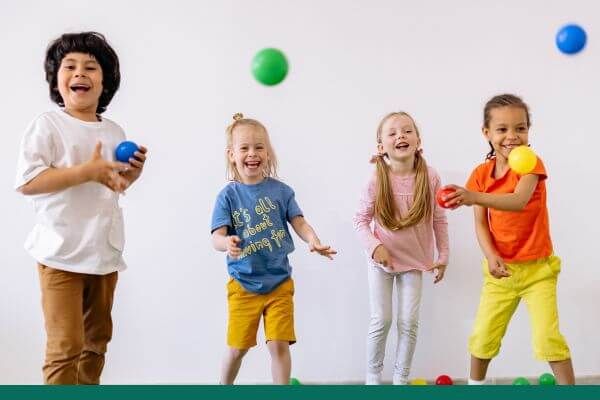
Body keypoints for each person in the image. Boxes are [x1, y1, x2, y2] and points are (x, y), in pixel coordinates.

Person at [14, 32, 148, 384]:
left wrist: (128, 178)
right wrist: (84, 171)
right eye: (69, 66)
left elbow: (112, 188)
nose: (80, 73)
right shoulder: (48, 125)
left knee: (96, 343)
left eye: (91, 67)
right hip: (60, 254)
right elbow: (28, 182)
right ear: (56, 80)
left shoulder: (115, 131)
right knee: (65, 346)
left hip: (103, 255)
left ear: (106, 82)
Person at [441, 93, 575, 385]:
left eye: (520, 128)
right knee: (483, 335)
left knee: (547, 337)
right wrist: (490, 256)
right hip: (500, 273)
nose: (512, 136)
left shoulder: (531, 164)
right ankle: (476, 387)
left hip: (539, 271)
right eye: (502, 129)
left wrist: (473, 196)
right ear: (486, 133)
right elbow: (481, 223)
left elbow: (518, 200)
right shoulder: (480, 174)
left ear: (529, 130)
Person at [211, 113, 336, 384]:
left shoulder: (282, 191)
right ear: (232, 154)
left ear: (268, 153)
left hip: (279, 283)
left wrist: (313, 240)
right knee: (237, 348)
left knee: (278, 344)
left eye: (259, 147)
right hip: (243, 284)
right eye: (244, 148)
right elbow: (216, 237)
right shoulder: (228, 196)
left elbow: (299, 222)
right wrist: (226, 243)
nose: (252, 153)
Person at [353, 111, 449, 385]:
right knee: (381, 320)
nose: (401, 136)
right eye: (393, 133)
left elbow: (439, 219)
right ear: (381, 147)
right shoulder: (375, 179)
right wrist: (375, 247)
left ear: (419, 140)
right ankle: (373, 379)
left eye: (407, 131)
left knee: (408, 323)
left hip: (415, 261)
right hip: (381, 262)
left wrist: (442, 256)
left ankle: (400, 380)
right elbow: (359, 220)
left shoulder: (430, 177)